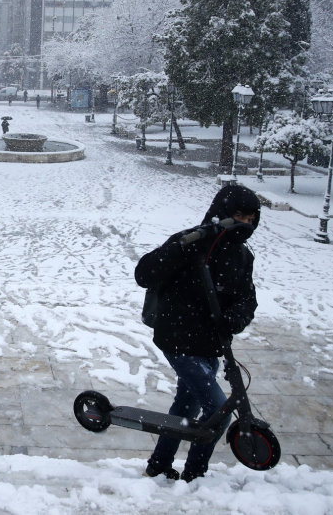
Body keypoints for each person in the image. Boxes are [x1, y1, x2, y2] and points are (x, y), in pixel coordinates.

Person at [134, 184, 260, 483]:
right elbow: (144, 273)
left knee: (186, 405)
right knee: (218, 410)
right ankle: (195, 474)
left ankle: (158, 464)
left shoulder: (242, 257)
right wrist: (178, 250)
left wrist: (234, 319)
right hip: (178, 338)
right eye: (238, 215)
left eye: (250, 218)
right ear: (222, 213)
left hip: (211, 343)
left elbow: (247, 299)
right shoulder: (191, 241)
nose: (244, 223)